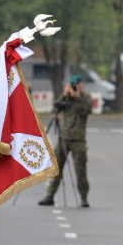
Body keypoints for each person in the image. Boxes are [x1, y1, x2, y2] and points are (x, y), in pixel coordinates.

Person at [38, 75, 91, 207]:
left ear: (81, 85)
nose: (74, 87)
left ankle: (83, 197)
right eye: (72, 84)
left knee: (80, 169)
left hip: (78, 138)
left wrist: (77, 97)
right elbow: (56, 107)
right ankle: (50, 195)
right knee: (56, 167)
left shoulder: (85, 97)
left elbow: (86, 110)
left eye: (76, 84)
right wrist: (64, 94)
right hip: (64, 137)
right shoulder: (66, 97)